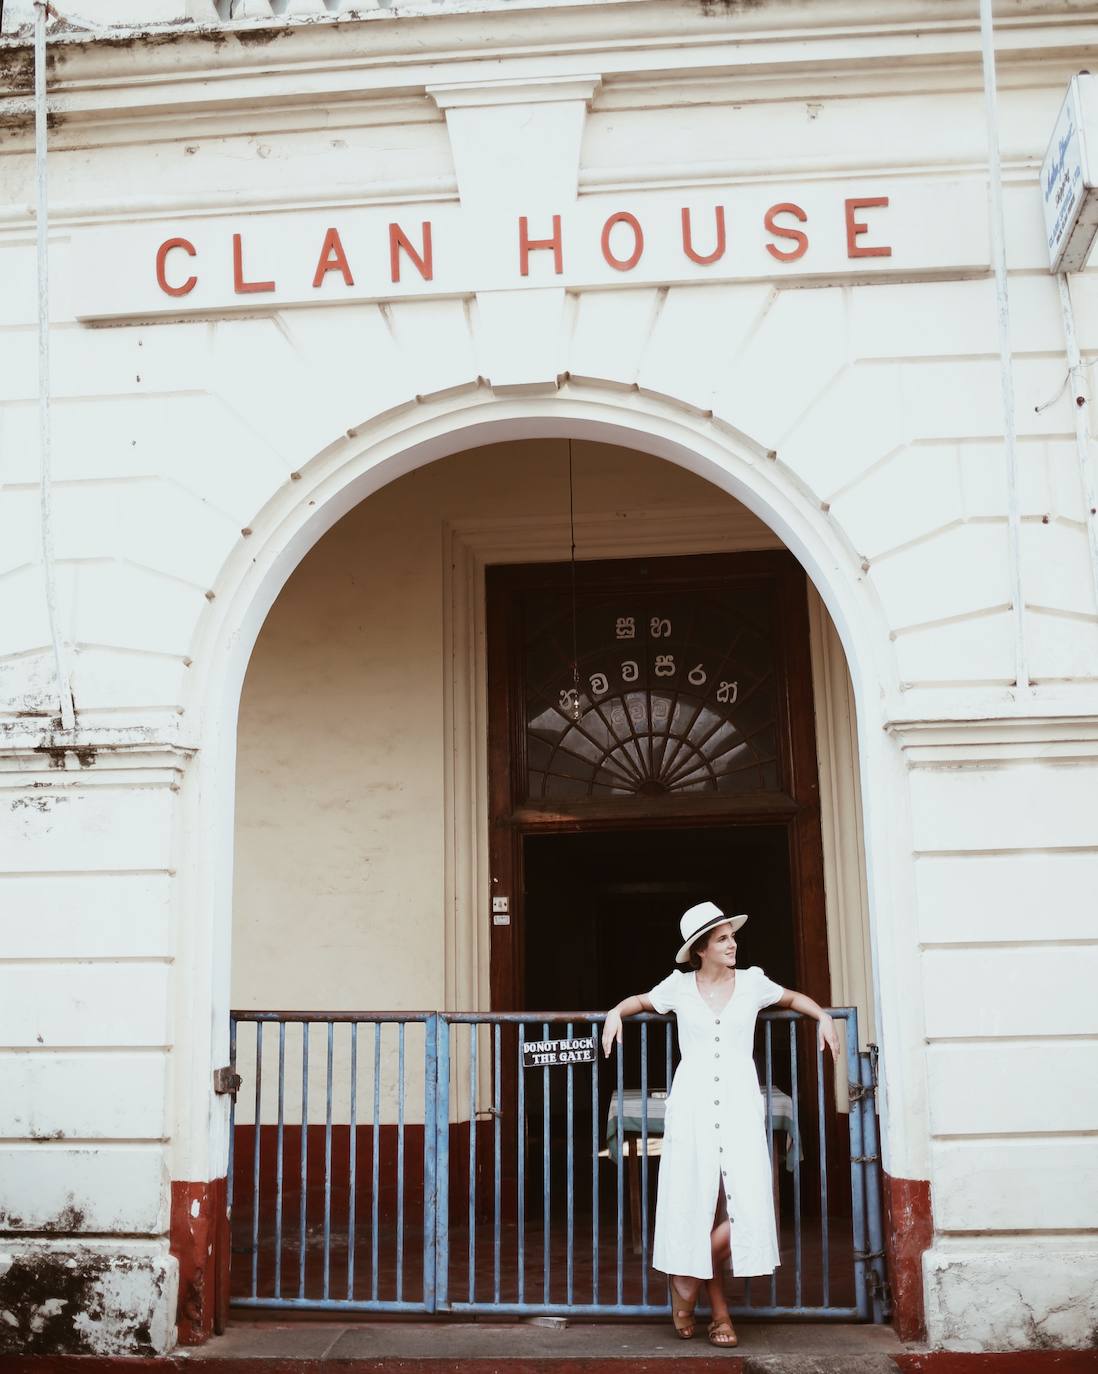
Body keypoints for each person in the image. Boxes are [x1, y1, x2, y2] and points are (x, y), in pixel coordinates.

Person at [601, 900, 840, 1349]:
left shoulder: (752, 983)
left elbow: (792, 997)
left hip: (738, 1101)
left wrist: (823, 1016)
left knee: (749, 1203)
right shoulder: (679, 987)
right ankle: (722, 1316)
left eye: (732, 936)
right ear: (701, 950)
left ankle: (684, 1280)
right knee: (701, 1205)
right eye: (723, 939)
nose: (733, 944)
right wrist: (616, 1013)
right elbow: (639, 1000)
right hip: (691, 1103)